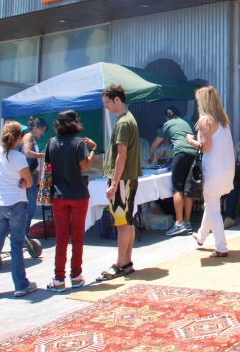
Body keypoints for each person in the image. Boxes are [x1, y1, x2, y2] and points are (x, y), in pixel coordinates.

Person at [0, 121, 37, 300]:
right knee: (16, 245)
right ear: (19, 138)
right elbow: (29, 181)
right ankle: (20, 285)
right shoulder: (18, 157)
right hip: (16, 202)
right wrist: (23, 183)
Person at [44, 110, 97, 292]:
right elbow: (86, 166)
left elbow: (48, 168)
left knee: (61, 238)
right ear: (75, 123)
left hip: (58, 195)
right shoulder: (78, 142)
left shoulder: (51, 142)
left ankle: (58, 279)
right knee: (77, 237)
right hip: (79, 194)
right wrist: (93, 149)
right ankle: (76, 276)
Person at [96, 84, 141, 281]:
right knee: (127, 221)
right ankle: (127, 262)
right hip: (128, 178)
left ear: (117, 99)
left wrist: (114, 183)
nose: (105, 106)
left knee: (122, 222)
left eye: (107, 102)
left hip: (122, 180)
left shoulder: (123, 122)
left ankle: (121, 263)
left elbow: (121, 156)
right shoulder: (129, 119)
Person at [186, 86, 236, 257]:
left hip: (212, 170)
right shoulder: (224, 121)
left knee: (213, 208)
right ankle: (201, 236)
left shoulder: (205, 120)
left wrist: (190, 140)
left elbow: (205, 147)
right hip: (226, 170)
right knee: (211, 204)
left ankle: (221, 247)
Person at [149, 106, 197, 237]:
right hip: (194, 154)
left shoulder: (168, 124)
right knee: (188, 189)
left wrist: (150, 155)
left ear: (167, 117)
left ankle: (179, 223)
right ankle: (187, 222)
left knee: (177, 188)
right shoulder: (189, 123)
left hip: (180, 154)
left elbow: (154, 144)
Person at [19, 116, 48, 235]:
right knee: (29, 209)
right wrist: (44, 155)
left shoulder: (32, 139)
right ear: (35, 127)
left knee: (30, 209)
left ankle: (23, 236)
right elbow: (27, 153)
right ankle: (23, 236)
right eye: (42, 130)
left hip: (32, 176)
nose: (42, 133)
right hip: (29, 176)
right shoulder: (28, 136)